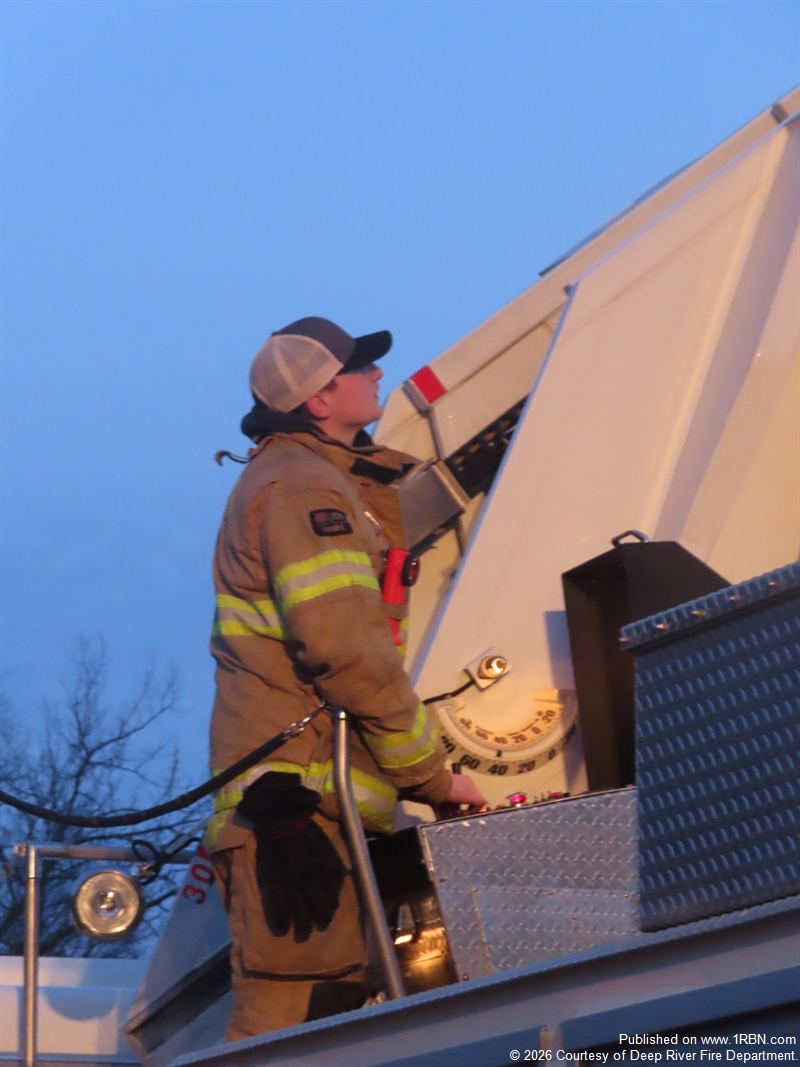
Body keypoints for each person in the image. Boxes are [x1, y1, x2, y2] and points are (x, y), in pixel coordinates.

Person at [206, 316, 486, 1040]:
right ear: (319, 400)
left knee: (320, 1021)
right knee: (289, 1024)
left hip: (307, 801)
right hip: (293, 808)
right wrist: (434, 777)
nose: (377, 374)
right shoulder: (304, 489)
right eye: (358, 367)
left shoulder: (308, 479)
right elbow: (349, 651)